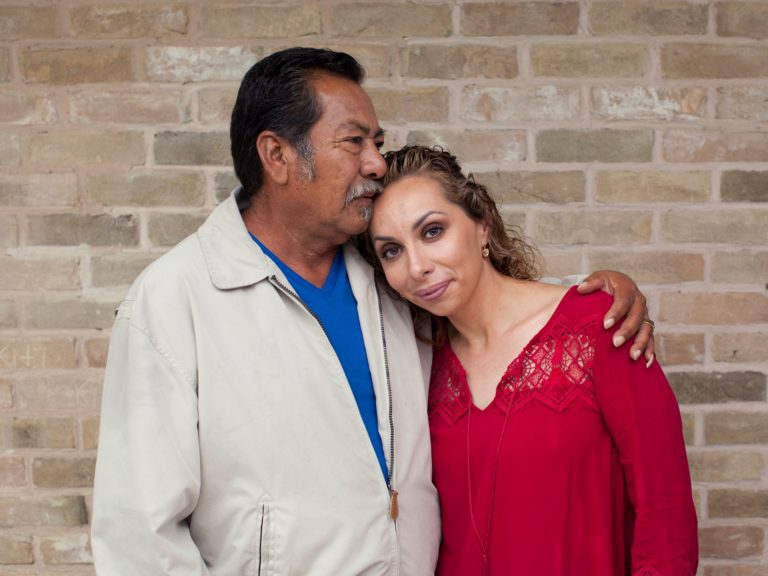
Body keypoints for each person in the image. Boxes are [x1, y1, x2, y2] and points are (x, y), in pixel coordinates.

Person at [91, 48, 653, 575]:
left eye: (377, 143)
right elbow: (140, 537)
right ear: (277, 156)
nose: (376, 163)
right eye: (354, 142)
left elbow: (489, 312)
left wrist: (592, 297)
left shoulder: (388, 276)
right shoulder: (175, 299)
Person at [363, 145, 698, 576]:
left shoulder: (599, 327)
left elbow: (666, 513)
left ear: (482, 224)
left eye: (432, 232)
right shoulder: (417, 363)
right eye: (392, 251)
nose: (417, 267)